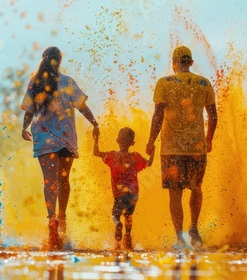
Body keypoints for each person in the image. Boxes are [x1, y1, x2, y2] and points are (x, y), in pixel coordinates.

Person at [20, 46, 100, 249]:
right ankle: (62, 218)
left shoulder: (35, 81)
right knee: (64, 179)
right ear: (60, 60)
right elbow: (82, 106)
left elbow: (29, 110)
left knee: (49, 180)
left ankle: (51, 218)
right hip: (65, 137)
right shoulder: (67, 81)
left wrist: (24, 128)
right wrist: (94, 123)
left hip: (44, 137)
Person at [146, 45, 218, 249]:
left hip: (171, 148)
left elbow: (158, 115)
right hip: (197, 147)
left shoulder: (164, 83)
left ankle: (180, 237)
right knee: (196, 187)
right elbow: (213, 116)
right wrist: (209, 138)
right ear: (191, 63)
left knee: (175, 192)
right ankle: (194, 229)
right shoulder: (204, 83)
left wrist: (151, 140)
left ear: (174, 62)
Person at [94, 127, 154, 250]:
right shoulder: (135, 156)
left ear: (117, 140)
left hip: (119, 195)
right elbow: (149, 163)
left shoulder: (112, 156)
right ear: (132, 143)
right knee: (129, 216)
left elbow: (96, 152)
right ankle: (127, 237)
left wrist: (96, 138)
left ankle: (117, 224)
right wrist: (153, 150)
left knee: (115, 215)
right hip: (133, 195)